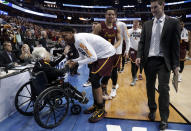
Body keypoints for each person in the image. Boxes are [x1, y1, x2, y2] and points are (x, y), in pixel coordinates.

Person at [135, 0, 180, 130]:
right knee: (150, 87)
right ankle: (152, 109)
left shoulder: (173, 23)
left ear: (163, 5)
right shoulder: (147, 24)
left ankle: (164, 118)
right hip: (149, 61)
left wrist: (176, 65)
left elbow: (176, 46)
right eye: (151, 8)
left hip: (164, 62)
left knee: (164, 89)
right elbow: (142, 43)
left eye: (156, 7)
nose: (153, 10)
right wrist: (139, 56)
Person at [62, 27, 115, 123]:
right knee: (93, 79)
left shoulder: (79, 40)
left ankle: (101, 109)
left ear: (71, 33)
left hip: (107, 53)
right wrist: (73, 60)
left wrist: (77, 63)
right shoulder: (75, 41)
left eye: (65, 35)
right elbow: (83, 56)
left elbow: (93, 57)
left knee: (94, 79)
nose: (64, 38)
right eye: (62, 36)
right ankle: (96, 105)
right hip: (99, 55)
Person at [93, 7, 121, 99]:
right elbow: (92, 39)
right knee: (96, 75)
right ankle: (97, 96)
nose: (111, 16)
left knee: (108, 74)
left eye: (113, 14)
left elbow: (120, 39)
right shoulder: (99, 26)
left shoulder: (116, 27)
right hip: (99, 54)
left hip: (110, 54)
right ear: (105, 15)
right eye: (109, 14)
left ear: (115, 16)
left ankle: (104, 90)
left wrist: (114, 47)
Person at [83, 21, 99, 87]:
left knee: (96, 68)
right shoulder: (88, 35)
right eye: (93, 25)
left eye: (95, 25)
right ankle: (90, 80)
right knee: (90, 67)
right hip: (90, 54)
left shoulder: (101, 34)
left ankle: (92, 80)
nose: (94, 26)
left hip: (98, 54)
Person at [128, 20, 142, 86]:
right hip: (132, 49)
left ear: (138, 24)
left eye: (137, 24)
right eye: (134, 23)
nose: (136, 25)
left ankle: (135, 75)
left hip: (139, 50)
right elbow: (127, 41)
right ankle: (133, 78)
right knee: (133, 63)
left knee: (137, 63)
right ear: (133, 23)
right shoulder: (129, 31)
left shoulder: (141, 31)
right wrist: (127, 50)